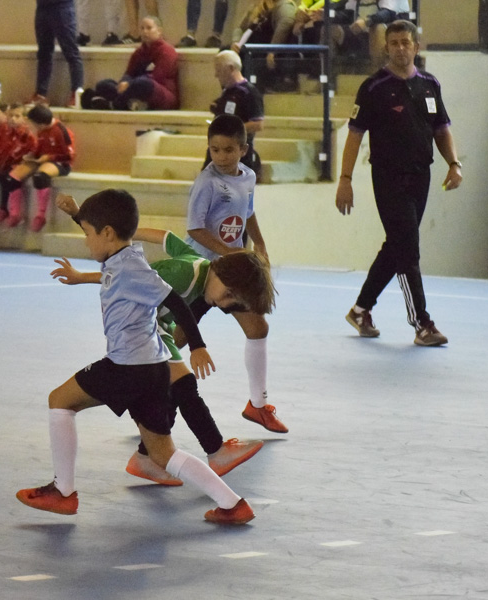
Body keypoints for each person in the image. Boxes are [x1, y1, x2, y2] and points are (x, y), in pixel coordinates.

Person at [16, 188, 255, 525]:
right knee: (163, 453)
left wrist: (198, 344)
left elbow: (176, 302)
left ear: (108, 234)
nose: (86, 242)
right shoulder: (121, 258)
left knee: (59, 401)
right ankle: (232, 504)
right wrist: (77, 214)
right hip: (153, 369)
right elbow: (104, 236)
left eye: (87, 234)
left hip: (127, 367)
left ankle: (63, 492)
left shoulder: (133, 268)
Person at [50, 213, 273, 485]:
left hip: (156, 329)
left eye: (232, 302)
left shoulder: (199, 264)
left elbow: (166, 237)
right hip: (142, 330)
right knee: (184, 385)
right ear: (221, 269)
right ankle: (216, 450)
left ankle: (146, 458)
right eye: (228, 295)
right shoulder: (183, 273)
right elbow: (127, 277)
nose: (225, 305)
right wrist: (82, 275)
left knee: (167, 394)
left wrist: (130, 233)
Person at [336, 20, 462, 347]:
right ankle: (422, 323)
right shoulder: (374, 87)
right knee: (408, 250)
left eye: (406, 42)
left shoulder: (430, 85)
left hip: (422, 176)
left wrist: (454, 163)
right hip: (388, 179)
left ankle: (361, 309)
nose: (401, 48)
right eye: (394, 43)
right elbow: (354, 135)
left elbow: (441, 129)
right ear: (387, 47)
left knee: (397, 246)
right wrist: (345, 179)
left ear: (416, 47)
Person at [186, 114, 286, 433]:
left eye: (228, 150)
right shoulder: (206, 182)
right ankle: (148, 397)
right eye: (214, 150)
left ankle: (258, 405)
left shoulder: (248, 177)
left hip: (233, 270)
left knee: (258, 327)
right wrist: (230, 253)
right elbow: (195, 228)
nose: (221, 156)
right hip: (202, 273)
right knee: (173, 338)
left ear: (243, 149)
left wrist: (260, 243)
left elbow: (249, 211)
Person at [79, 17, 179, 111]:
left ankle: (113, 104)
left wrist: (129, 84)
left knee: (144, 83)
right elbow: (129, 73)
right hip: (133, 90)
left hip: (159, 92)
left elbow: (157, 77)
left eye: (149, 28)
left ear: (159, 31)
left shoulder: (167, 51)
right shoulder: (139, 52)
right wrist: (124, 82)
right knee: (103, 85)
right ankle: (130, 103)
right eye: (142, 28)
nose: (145, 32)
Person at [2, 103, 74, 231]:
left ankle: (40, 215)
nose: (32, 126)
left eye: (33, 123)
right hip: (42, 159)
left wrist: (49, 158)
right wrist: (32, 156)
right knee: (12, 177)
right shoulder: (41, 131)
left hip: (61, 163)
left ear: (41, 123)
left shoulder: (61, 131)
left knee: (40, 177)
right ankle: (15, 214)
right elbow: (39, 148)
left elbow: (68, 155)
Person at [208, 50, 263, 175]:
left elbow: (258, 123)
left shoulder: (249, 92)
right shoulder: (227, 92)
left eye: (219, 69)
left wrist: (231, 131)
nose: (216, 75)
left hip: (237, 156)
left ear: (231, 68)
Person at [31, 0, 84, 108]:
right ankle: (41, 94)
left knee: (71, 52)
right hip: (42, 7)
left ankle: (77, 95)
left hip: (62, 6)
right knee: (43, 53)